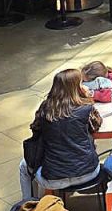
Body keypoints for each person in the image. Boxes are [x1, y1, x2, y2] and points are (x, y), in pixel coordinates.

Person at [19, 68, 103, 202]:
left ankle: (28, 205)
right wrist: (87, 98)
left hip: (54, 178)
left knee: (24, 166)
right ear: (77, 87)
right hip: (88, 172)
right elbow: (96, 125)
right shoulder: (86, 108)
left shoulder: (45, 109)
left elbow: (35, 129)